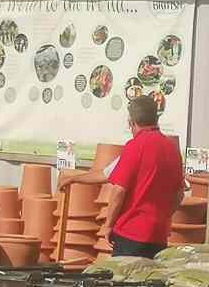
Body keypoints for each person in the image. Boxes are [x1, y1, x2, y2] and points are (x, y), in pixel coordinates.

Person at [59, 95, 185, 259]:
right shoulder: (172, 150)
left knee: (124, 282)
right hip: (158, 237)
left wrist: (108, 225)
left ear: (132, 122)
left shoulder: (135, 147)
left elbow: (119, 190)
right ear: (156, 118)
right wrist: (74, 178)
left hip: (131, 235)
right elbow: (178, 195)